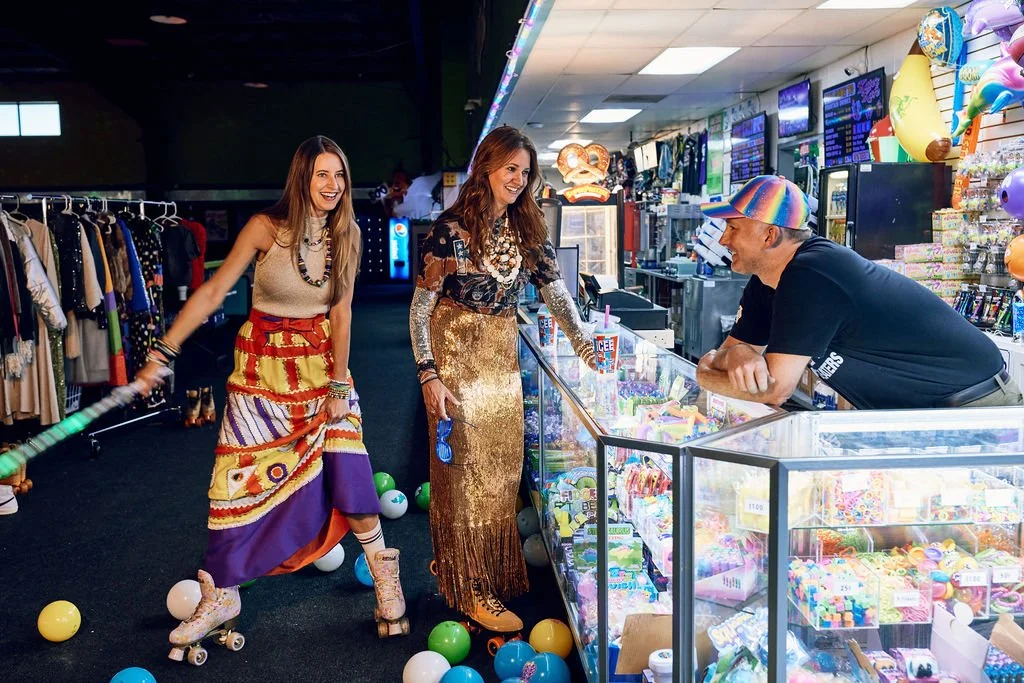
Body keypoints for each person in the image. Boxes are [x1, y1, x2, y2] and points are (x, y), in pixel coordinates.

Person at [135, 136, 408, 652]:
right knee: (232, 484)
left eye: (340, 175)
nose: (333, 185)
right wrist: (163, 352)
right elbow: (213, 291)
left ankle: (386, 581)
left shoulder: (347, 233)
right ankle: (222, 594)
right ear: (302, 178)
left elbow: (341, 312)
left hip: (322, 371)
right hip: (260, 375)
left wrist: (338, 385)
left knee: (348, 468)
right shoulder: (266, 228)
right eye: (322, 174)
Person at [409, 125, 595, 630]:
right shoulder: (448, 231)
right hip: (456, 366)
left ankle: (486, 570)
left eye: (525, 171)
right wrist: (429, 376)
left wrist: (583, 343)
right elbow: (420, 310)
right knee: (463, 478)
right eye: (510, 168)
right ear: (486, 168)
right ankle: (470, 585)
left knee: (501, 475)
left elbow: (556, 293)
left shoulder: (528, 228)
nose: (517, 179)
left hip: (501, 370)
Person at [695, 174, 1021, 410]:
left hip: (972, 403)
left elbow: (775, 390)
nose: (723, 240)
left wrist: (705, 375)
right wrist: (738, 354)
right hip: (917, 414)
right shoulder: (766, 281)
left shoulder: (812, 273)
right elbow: (727, 355)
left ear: (769, 236)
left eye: (733, 228)